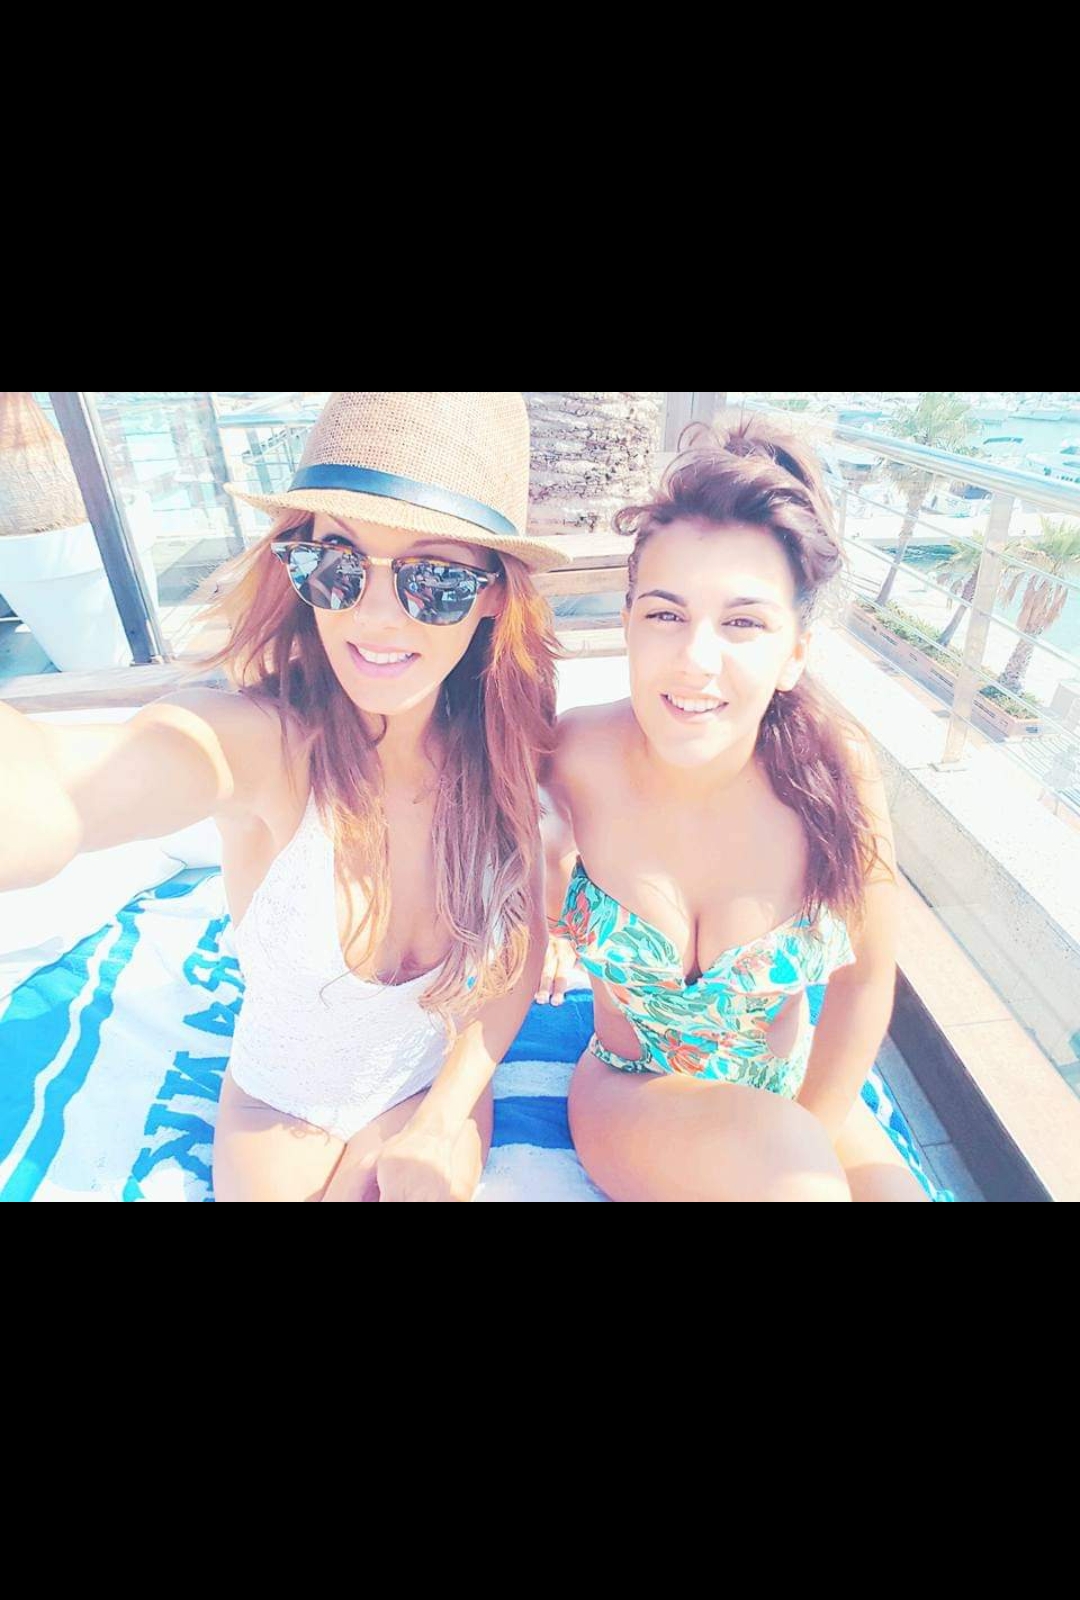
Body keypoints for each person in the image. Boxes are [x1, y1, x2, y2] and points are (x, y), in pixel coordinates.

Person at [0, 393, 567, 1203]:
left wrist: (443, 1118)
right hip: (284, 1107)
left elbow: (521, 936)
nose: (375, 616)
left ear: (493, 594)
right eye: (336, 564)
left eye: (435, 577)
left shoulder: (504, 743)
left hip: (429, 1085)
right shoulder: (261, 744)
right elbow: (77, 779)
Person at [535, 411, 930, 1204]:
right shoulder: (572, 756)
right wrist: (546, 913)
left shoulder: (835, 774)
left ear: (794, 653)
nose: (695, 660)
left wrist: (812, 1128)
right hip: (634, 1092)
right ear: (627, 624)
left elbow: (864, 982)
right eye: (665, 614)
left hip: (791, 1096)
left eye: (743, 623)